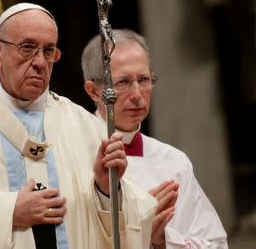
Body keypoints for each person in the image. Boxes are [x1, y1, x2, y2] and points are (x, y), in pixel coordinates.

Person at [0, 3, 158, 249]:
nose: (39, 62)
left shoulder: (83, 126)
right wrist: (9, 212)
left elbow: (130, 223)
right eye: (27, 48)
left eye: (48, 51)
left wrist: (105, 189)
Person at [81, 29, 228, 248]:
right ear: (94, 91)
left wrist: (164, 241)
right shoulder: (72, 150)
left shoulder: (174, 162)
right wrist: (136, 226)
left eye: (144, 79)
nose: (138, 94)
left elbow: (216, 245)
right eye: (123, 82)